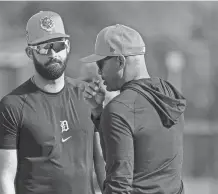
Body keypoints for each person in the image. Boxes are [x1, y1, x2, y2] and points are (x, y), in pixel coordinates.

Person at [0, 11, 105, 194]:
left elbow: (102, 160)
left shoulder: (88, 96)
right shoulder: (11, 106)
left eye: (58, 45)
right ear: (30, 53)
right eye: (44, 48)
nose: (53, 53)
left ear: (67, 47)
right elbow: (5, 177)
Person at [80, 24, 186, 194]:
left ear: (120, 61)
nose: (99, 72)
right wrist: (98, 113)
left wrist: (104, 114)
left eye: (101, 63)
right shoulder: (169, 95)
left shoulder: (120, 108)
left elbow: (118, 185)